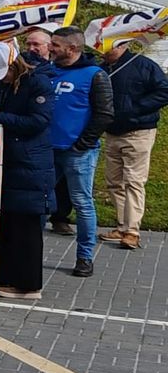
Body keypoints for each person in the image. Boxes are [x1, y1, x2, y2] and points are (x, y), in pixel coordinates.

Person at [0, 48, 55, 299]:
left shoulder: (39, 83)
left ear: (14, 66)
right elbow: (0, 112)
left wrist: (1, 117)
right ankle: (5, 277)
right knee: (6, 223)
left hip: (30, 162)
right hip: (8, 160)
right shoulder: (4, 86)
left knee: (26, 227)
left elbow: (38, 121)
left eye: (4, 73)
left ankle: (28, 284)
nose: (1, 79)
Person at [48, 25, 114, 278]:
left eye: (56, 45)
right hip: (48, 150)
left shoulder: (95, 75)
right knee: (40, 199)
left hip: (78, 153)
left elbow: (105, 113)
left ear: (72, 48)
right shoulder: (50, 71)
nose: (50, 48)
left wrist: (82, 143)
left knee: (82, 203)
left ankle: (85, 256)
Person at [100, 39, 168, 250]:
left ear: (121, 46)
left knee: (134, 181)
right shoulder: (102, 69)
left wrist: (135, 109)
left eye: (106, 46)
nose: (102, 50)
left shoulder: (144, 66)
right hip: (112, 132)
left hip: (139, 131)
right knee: (114, 181)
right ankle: (121, 225)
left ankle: (132, 231)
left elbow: (164, 91)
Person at [23, 29, 72, 235]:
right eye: (28, 44)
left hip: (63, 139)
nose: (31, 49)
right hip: (32, 141)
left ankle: (61, 217)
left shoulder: (58, 71)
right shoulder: (21, 70)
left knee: (66, 187)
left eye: (36, 45)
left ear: (48, 47)